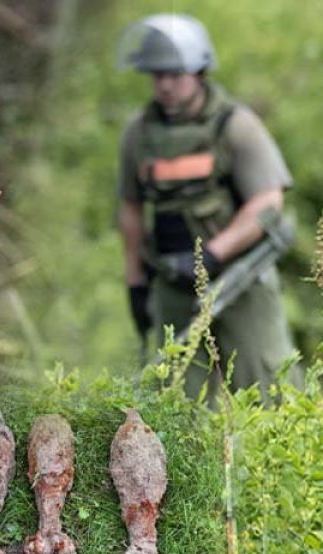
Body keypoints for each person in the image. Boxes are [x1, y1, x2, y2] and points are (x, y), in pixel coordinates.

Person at [115, 13, 300, 397]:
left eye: (175, 75)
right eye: (157, 75)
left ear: (198, 71)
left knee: (268, 386)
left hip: (239, 277)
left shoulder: (235, 125)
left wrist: (213, 254)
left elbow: (269, 201)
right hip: (171, 279)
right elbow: (131, 208)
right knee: (176, 395)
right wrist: (135, 281)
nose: (165, 85)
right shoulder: (139, 133)